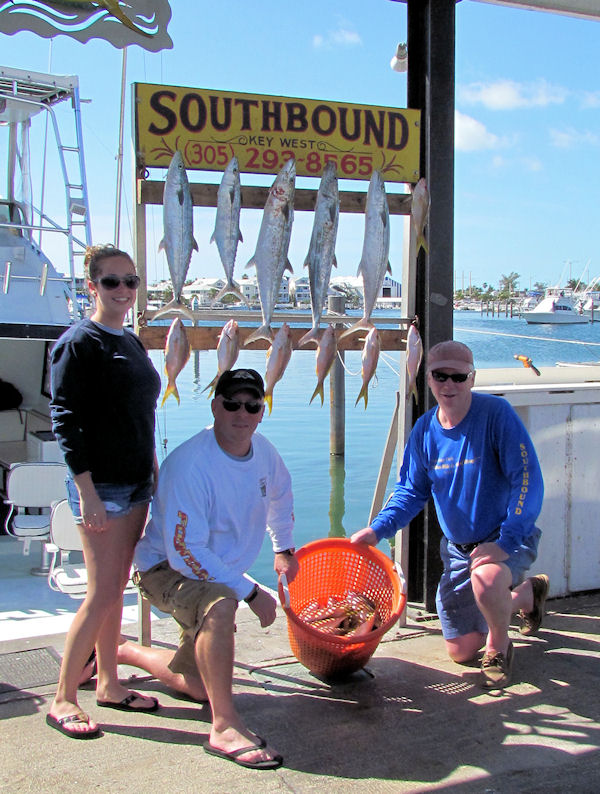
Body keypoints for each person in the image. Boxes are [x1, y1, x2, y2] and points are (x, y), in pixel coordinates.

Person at [351, 340, 548, 689]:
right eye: (440, 376)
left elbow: (527, 478)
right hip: (458, 551)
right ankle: (526, 595)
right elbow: (410, 491)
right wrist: (377, 530)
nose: (449, 385)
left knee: (487, 579)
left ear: (472, 378)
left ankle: (499, 648)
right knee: (460, 651)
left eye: (459, 377)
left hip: (506, 539)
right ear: (427, 379)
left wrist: (505, 542)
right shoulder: (424, 431)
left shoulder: (496, 415)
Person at [133, 368, 298, 770]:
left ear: (261, 411)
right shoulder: (191, 465)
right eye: (231, 403)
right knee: (223, 604)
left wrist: (284, 549)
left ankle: (122, 652)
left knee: (197, 688)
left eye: (251, 405)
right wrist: (252, 592)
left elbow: (281, 496)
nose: (241, 413)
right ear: (214, 407)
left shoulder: (264, 453)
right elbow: (185, 552)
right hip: (163, 568)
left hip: (209, 570)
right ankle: (225, 728)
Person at [46, 244, 162, 739]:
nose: (123, 291)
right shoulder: (79, 342)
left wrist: (153, 466)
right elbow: (65, 421)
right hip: (102, 488)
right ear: (91, 286)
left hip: (136, 482)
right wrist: (87, 493)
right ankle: (63, 697)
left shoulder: (131, 341)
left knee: (118, 590)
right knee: (100, 593)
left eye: (130, 281)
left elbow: (142, 413)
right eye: (111, 282)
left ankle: (110, 684)